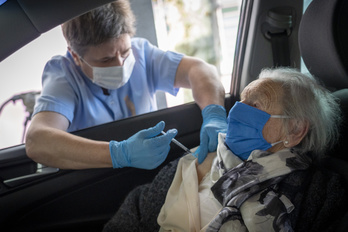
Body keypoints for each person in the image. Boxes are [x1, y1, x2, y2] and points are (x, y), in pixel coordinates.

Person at [103, 67, 346, 232]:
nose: (238, 111)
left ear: (295, 130)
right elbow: (134, 213)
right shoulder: (197, 160)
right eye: (241, 101)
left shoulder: (322, 193)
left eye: (255, 105)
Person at [25, 0, 226, 170]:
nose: (120, 65)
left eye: (125, 52)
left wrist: (213, 113)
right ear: (76, 56)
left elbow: (201, 70)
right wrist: (120, 154)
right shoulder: (64, 75)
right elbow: (37, 141)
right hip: (96, 181)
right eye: (105, 60)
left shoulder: (142, 54)